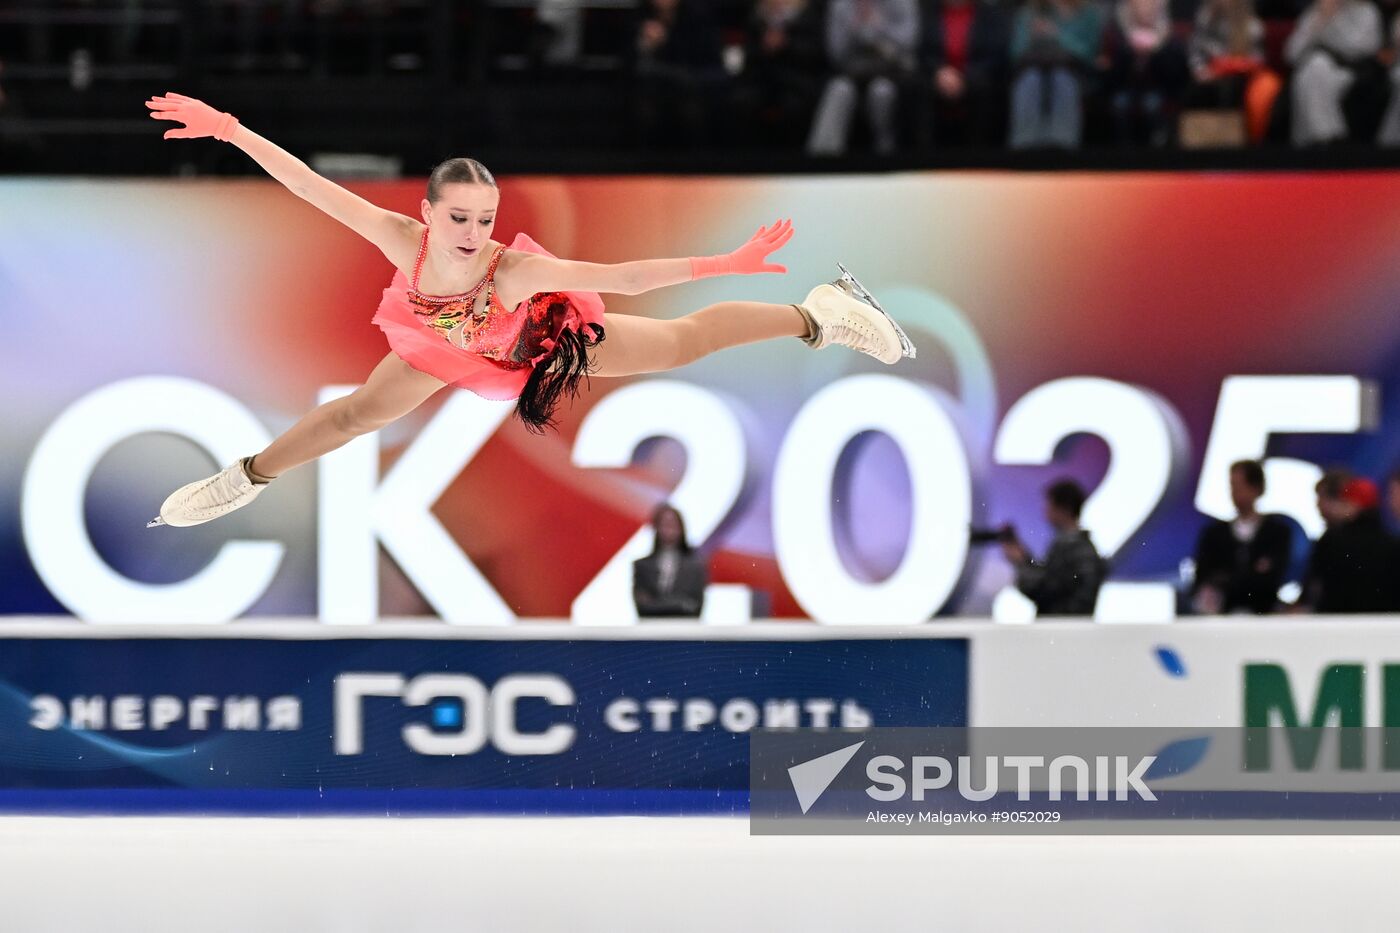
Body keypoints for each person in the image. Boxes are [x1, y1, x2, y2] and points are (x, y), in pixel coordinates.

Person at [143, 92, 915, 528]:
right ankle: (243, 478)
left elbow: (629, 275)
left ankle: (818, 312)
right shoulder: (397, 237)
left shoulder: (514, 272)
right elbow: (311, 186)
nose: (475, 233)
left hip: (531, 338)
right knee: (354, 417)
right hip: (439, 343)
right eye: (460, 219)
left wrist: (725, 262)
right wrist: (235, 130)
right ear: (428, 212)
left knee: (679, 344)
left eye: (485, 218)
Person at [806, 0, 922, 155]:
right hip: (852, 72)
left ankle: (889, 157)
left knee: (881, 91)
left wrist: (877, 29)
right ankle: (822, 159)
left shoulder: (902, 3)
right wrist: (854, 29)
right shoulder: (841, 4)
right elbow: (836, 54)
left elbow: (909, 43)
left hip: (893, 72)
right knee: (839, 89)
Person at [1191, 459, 1292, 615]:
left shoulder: (1276, 532)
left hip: (1263, 614)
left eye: (1240, 486)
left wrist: (1229, 579)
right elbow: (1203, 575)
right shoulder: (1214, 534)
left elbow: (1272, 580)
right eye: (1232, 486)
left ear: (1256, 488)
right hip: (1222, 614)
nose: (1234, 493)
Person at [1007, 0, 1106, 149]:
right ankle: (1024, 150)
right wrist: (1033, 36)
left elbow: (1089, 53)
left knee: (1062, 79)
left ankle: (1062, 149)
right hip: (1033, 69)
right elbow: (1016, 53)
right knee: (1031, 80)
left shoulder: (1088, 13)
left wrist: (1056, 35)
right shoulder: (1030, 12)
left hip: (1074, 72)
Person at [1000, 478, 1106, 617]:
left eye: (1050, 505)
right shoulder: (1079, 547)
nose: (1045, 511)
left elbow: (1045, 591)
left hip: (1064, 632)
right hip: (1069, 631)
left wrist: (1021, 564)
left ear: (1065, 509)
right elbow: (1052, 583)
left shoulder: (1073, 549)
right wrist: (1025, 559)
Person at [1284, 0, 1383, 146]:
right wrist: (1320, 20)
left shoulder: (1366, 11)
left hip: (1351, 71)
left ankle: (1315, 142)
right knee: (1314, 68)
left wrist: (1334, 19)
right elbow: (1291, 54)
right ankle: (1330, 137)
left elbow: (1364, 47)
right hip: (1317, 69)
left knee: (1314, 72)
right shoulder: (1316, 12)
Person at [1184, 0, 1280, 144]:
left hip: (1241, 78)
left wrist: (1230, 64)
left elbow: (1257, 60)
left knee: (1230, 87)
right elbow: (1195, 53)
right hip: (1210, 75)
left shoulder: (1252, 25)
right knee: (1197, 90)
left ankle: (1232, 142)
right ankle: (1197, 141)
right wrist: (1202, 71)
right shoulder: (1206, 18)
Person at [918, 0, 1013, 146]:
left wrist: (964, 76)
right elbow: (923, 52)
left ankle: (979, 155)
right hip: (939, 74)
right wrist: (940, 71)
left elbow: (996, 53)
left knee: (983, 88)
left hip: (977, 74)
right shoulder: (929, 13)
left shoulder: (989, 14)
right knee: (916, 87)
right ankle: (923, 156)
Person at [1300, 476, 1398, 613]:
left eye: (1344, 502)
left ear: (1353, 504)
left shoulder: (1332, 540)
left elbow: (1315, 586)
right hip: (1382, 624)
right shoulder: (1392, 543)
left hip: (1335, 621)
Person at [1103, 0, 1188, 145]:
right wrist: (1130, 52)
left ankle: (1155, 152)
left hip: (1158, 90)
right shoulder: (1119, 35)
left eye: (1149, 5)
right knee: (1119, 104)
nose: (1144, 9)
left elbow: (1176, 75)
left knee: (1152, 104)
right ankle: (1123, 154)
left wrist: (1157, 52)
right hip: (1126, 90)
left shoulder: (1169, 36)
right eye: (1140, 4)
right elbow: (1113, 76)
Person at [632, 504, 708, 618]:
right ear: (656, 528)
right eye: (664, 524)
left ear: (681, 528)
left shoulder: (696, 566)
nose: (668, 530)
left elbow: (695, 607)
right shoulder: (642, 566)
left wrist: (656, 604)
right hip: (651, 630)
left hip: (685, 630)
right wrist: (680, 604)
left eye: (673, 525)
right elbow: (642, 606)